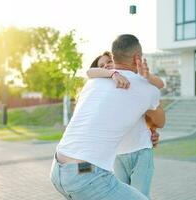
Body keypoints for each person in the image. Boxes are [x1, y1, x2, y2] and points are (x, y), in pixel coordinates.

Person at [50, 34, 165, 200]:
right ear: (137, 59)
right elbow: (160, 115)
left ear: (113, 57)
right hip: (88, 177)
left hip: (60, 169)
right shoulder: (145, 88)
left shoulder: (92, 83)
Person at [86, 51, 165, 198]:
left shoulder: (131, 83)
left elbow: (159, 86)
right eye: (102, 65)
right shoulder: (102, 91)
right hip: (117, 156)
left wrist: (152, 130)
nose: (106, 66)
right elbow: (89, 72)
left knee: (140, 196)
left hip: (140, 151)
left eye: (109, 62)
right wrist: (112, 74)